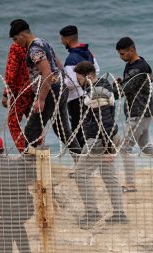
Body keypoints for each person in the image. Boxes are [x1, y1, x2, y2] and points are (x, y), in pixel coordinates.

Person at [72, 60, 126, 229]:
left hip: (99, 139)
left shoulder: (96, 93)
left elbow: (105, 122)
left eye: (79, 78)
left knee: (81, 174)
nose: (78, 82)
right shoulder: (103, 84)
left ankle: (92, 213)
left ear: (88, 76)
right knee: (109, 175)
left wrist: (108, 149)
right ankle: (119, 213)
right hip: (108, 137)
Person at [115, 36, 153, 192]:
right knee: (146, 146)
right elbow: (129, 86)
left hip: (138, 113)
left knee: (125, 148)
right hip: (144, 111)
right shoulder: (134, 64)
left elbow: (122, 91)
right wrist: (120, 84)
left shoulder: (138, 69)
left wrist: (112, 88)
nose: (121, 57)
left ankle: (130, 185)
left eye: (123, 54)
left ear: (132, 50)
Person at [9, 19, 71, 150]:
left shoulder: (34, 50)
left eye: (15, 39)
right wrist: (63, 82)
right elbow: (58, 63)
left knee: (30, 132)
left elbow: (47, 73)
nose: (16, 43)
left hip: (49, 92)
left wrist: (41, 99)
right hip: (60, 87)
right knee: (63, 130)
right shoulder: (42, 42)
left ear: (22, 35)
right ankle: (80, 158)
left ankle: (28, 162)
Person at [60, 25, 99, 157]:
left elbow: (71, 83)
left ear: (67, 40)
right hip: (90, 94)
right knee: (88, 129)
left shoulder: (71, 58)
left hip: (75, 99)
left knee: (78, 131)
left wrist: (60, 81)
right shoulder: (88, 52)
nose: (61, 42)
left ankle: (83, 160)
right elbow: (97, 70)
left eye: (62, 39)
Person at [1, 41, 32, 152]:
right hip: (35, 89)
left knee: (13, 123)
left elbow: (11, 72)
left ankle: (25, 152)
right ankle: (37, 150)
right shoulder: (34, 44)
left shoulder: (16, 46)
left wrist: (6, 94)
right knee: (34, 123)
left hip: (20, 91)